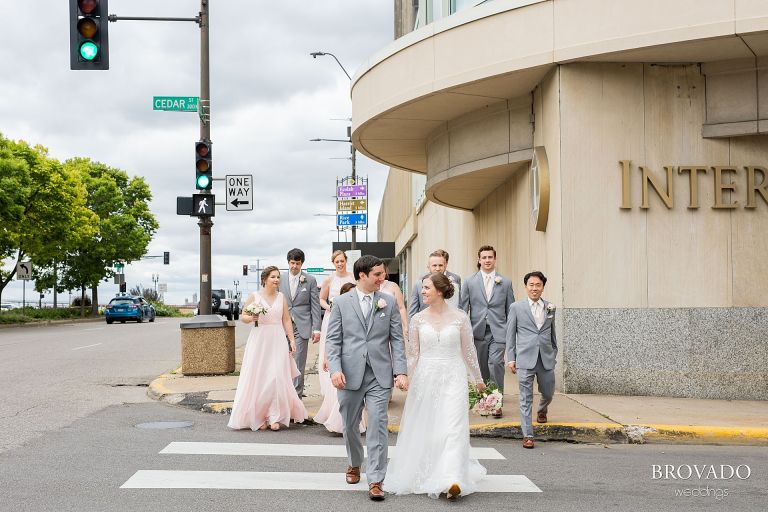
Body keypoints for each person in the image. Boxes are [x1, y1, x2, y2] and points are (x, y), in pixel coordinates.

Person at [386, 273, 487, 500]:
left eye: (426, 288)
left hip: (454, 377)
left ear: (440, 291)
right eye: (422, 288)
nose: (422, 292)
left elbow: (468, 352)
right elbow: (413, 354)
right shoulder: (417, 319)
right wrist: (404, 377)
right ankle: (431, 470)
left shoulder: (460, 318)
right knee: (430, 428)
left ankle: (453, 479)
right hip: (426, 378)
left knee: (454, 428)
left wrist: (478, 380)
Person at [325, 255, 408, 501]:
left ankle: (376, 479)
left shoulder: (388, 301)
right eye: (378, 275)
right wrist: (335, 369)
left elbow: (397, 340)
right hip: (349, 375)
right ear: (362, 275)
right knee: (350, 425)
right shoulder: (341, 302)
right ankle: (354, 462)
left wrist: (400, 371)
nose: (383, 279)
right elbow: (334, 340)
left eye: (383, 274)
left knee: (378, 426)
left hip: (379, 375)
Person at [228, 266, 308, 432]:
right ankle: (259, 416)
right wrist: (251, 317)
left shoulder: (281, 297)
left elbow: (286, 320)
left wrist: (291, 340)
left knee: (277, 376)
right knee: (260, 376)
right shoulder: (254, 296)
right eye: (273, 277)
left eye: (278, 277)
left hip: (278, 339)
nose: (276, 280)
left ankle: (275, 416)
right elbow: (243, 316)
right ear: (264, 279)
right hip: (259, 340)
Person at [459, 245, 515, 416]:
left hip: (499, 331)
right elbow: (463, 308)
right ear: (479, 260)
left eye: (490, 257)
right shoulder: (469, 281)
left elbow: (510, 310)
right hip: (478, 331)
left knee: (496, 363)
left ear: (494, 259)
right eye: (484, 257)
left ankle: (497, 402)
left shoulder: (505, 282)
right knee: (482, 367)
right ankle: (486, 400)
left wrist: (511, 332)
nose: (487, 260)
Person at [506, 271, 557, 449]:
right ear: (526, 286)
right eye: (531, 285)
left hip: (546, 358)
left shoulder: (550, 307)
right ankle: (528, 435)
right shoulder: (516, 307)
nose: (534, 288)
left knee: (548, 392)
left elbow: (552, 333)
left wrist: (554, 353)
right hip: (524, 359)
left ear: (543, 287)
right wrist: (511, 358)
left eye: (538, 285)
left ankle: (542, 410)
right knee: (525, 398)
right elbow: (510, 335)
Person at [314, 281, 366, 434]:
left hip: (354, 355)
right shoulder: (337, 311)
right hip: (340, 355)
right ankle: (339, 422)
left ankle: (354, 421)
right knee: (341, 389)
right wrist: (326, 358)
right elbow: (330, 339)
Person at [278, 248, 321, 397]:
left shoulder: (310, 280)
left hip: (301, 326)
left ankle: (296, 398)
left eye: (297, 263)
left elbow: (315, 305)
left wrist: (317, 329)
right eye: (292, 263)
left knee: (298, 363)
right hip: (281, 326)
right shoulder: (279, 279)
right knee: (281, 361)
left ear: (302, 263)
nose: (294, 266)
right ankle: (282, 395)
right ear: (288, 262)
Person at [408, 249, 462, 317]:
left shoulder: (455, 279)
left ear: (445, 265)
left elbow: (459, 306)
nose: (437, 268)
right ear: (428, 266)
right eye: (434, 265)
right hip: (427, 323)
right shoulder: (419, 283)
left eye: (440, 265)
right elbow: (412, 311)